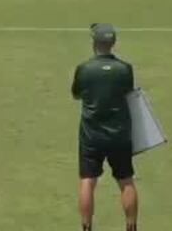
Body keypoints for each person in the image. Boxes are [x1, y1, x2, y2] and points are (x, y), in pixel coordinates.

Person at [71, 23, 138, 231]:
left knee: (87, 181)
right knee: (126, 180)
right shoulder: (125, 69)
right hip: (120, 135)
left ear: (94, 44)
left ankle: (86, 227)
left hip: (91, 136)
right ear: (113, 43)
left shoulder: (84, 69)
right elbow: (129, 92)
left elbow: (76, 94)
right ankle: (131, 227)